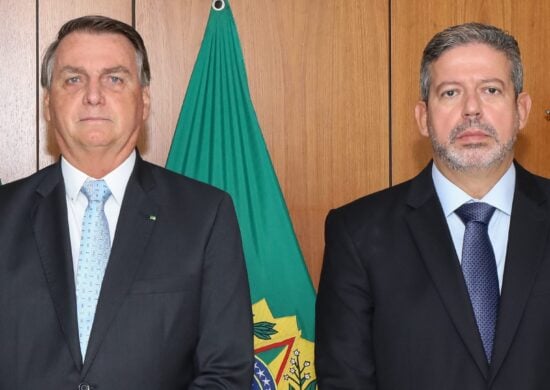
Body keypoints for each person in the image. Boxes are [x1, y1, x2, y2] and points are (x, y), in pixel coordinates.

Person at [0, 15, 253, 389]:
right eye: (73, 79)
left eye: (114, 78)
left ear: (144, 100)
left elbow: (226, 370)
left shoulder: (205, 215)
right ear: (48, 104)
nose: (93, 95)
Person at [315, 22, 550, 389]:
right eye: (451, 92)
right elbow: (345, 380)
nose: (472, 109)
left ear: (522, 109)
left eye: (491, 89)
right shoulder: (357, 233)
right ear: (423, 118)